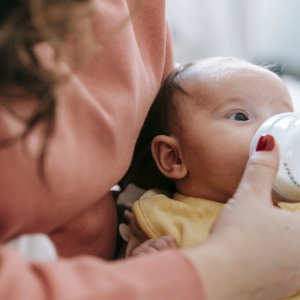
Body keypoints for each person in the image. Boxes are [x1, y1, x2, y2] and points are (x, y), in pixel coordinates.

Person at [1, 1, 300, 300]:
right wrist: (144, 259)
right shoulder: (162, 219)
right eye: (239, 116)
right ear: (173, 158)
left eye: (281, 117)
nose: (274, 131)